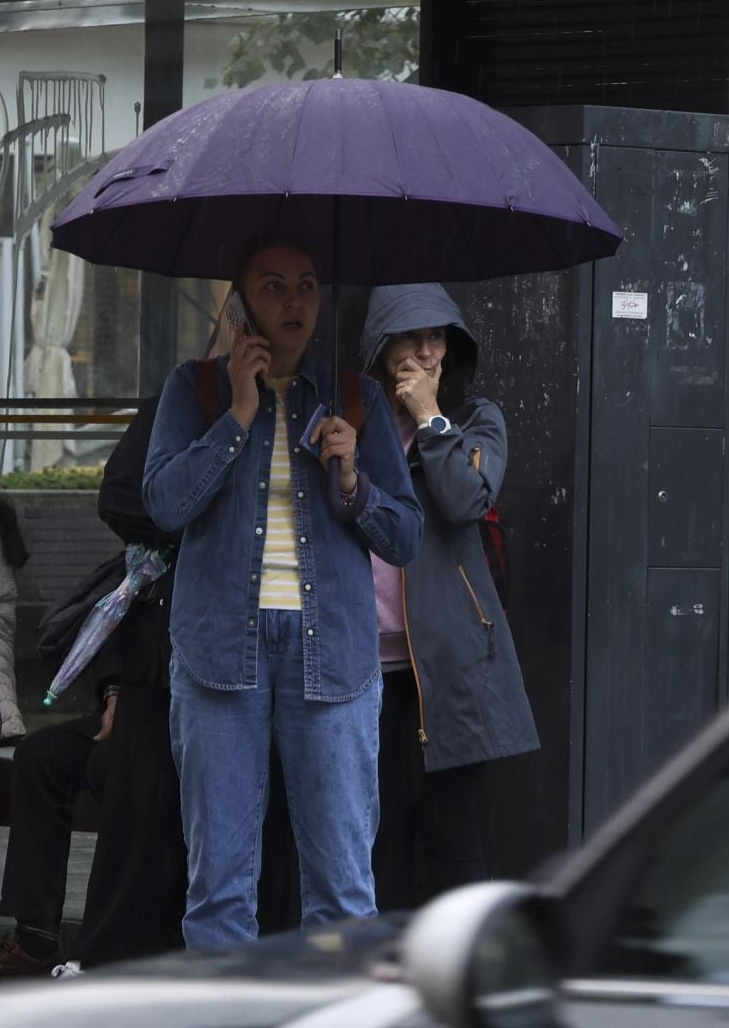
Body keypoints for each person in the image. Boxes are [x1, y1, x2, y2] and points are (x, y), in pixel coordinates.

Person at [143, 237, 422, 950]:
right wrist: (236, 417)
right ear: (241, 301)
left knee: (342, 886)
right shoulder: (195, 388)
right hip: (216, 653)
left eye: (305, 285)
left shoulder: (354, 397)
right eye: (272, 286)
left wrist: (354, 480)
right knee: (219, 887)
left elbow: (407, 536)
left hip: (331, 656)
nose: (293, 301)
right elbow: (165, 506)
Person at [0, 395, 184, 987]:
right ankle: (35, 938)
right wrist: (115, 689)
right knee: (44, 756)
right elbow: (129, 621)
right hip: (141, 697)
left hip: (193, 718)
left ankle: (108, 946)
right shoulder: (152, 544)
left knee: (125, 761)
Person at [361, 285, 538, 909]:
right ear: (383, 347)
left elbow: (466, 499)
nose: (428, 352)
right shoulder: (357, 420)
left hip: (452, 662)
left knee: (454, 834)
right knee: (373, 837)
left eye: (438, 338)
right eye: (412, 338)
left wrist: (432, 419)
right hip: (361, 665)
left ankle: (462, 977)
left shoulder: (474, 420)